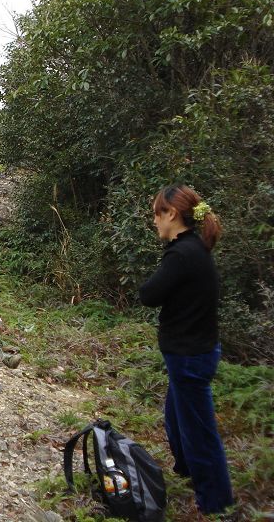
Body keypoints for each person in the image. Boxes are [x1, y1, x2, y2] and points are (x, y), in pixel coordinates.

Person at [139, 185, 234, 515]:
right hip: (194, 352)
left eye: (156, 214)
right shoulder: (194, 248)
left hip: (190, 357)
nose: (154, 222)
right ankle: (186, 468)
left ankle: (217, 503)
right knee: (177, 416)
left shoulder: (182, 254)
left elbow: (149, 294)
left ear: (171, 214)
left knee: (200, 433)